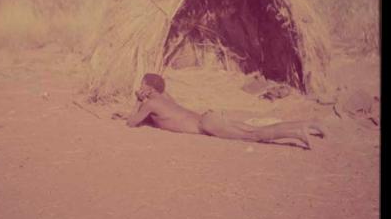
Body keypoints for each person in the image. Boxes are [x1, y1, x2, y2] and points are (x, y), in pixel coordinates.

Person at [124, 73, 325, 150]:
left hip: (207, 125)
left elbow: (132, 123)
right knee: (250, 129)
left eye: (142, 84)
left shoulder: (150, 104)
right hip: (209, 117)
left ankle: (297, 134)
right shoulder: (165, 97)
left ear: (149, 89)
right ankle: (307, 125)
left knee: (253, 135)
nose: (139, 87)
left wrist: (137, 100)